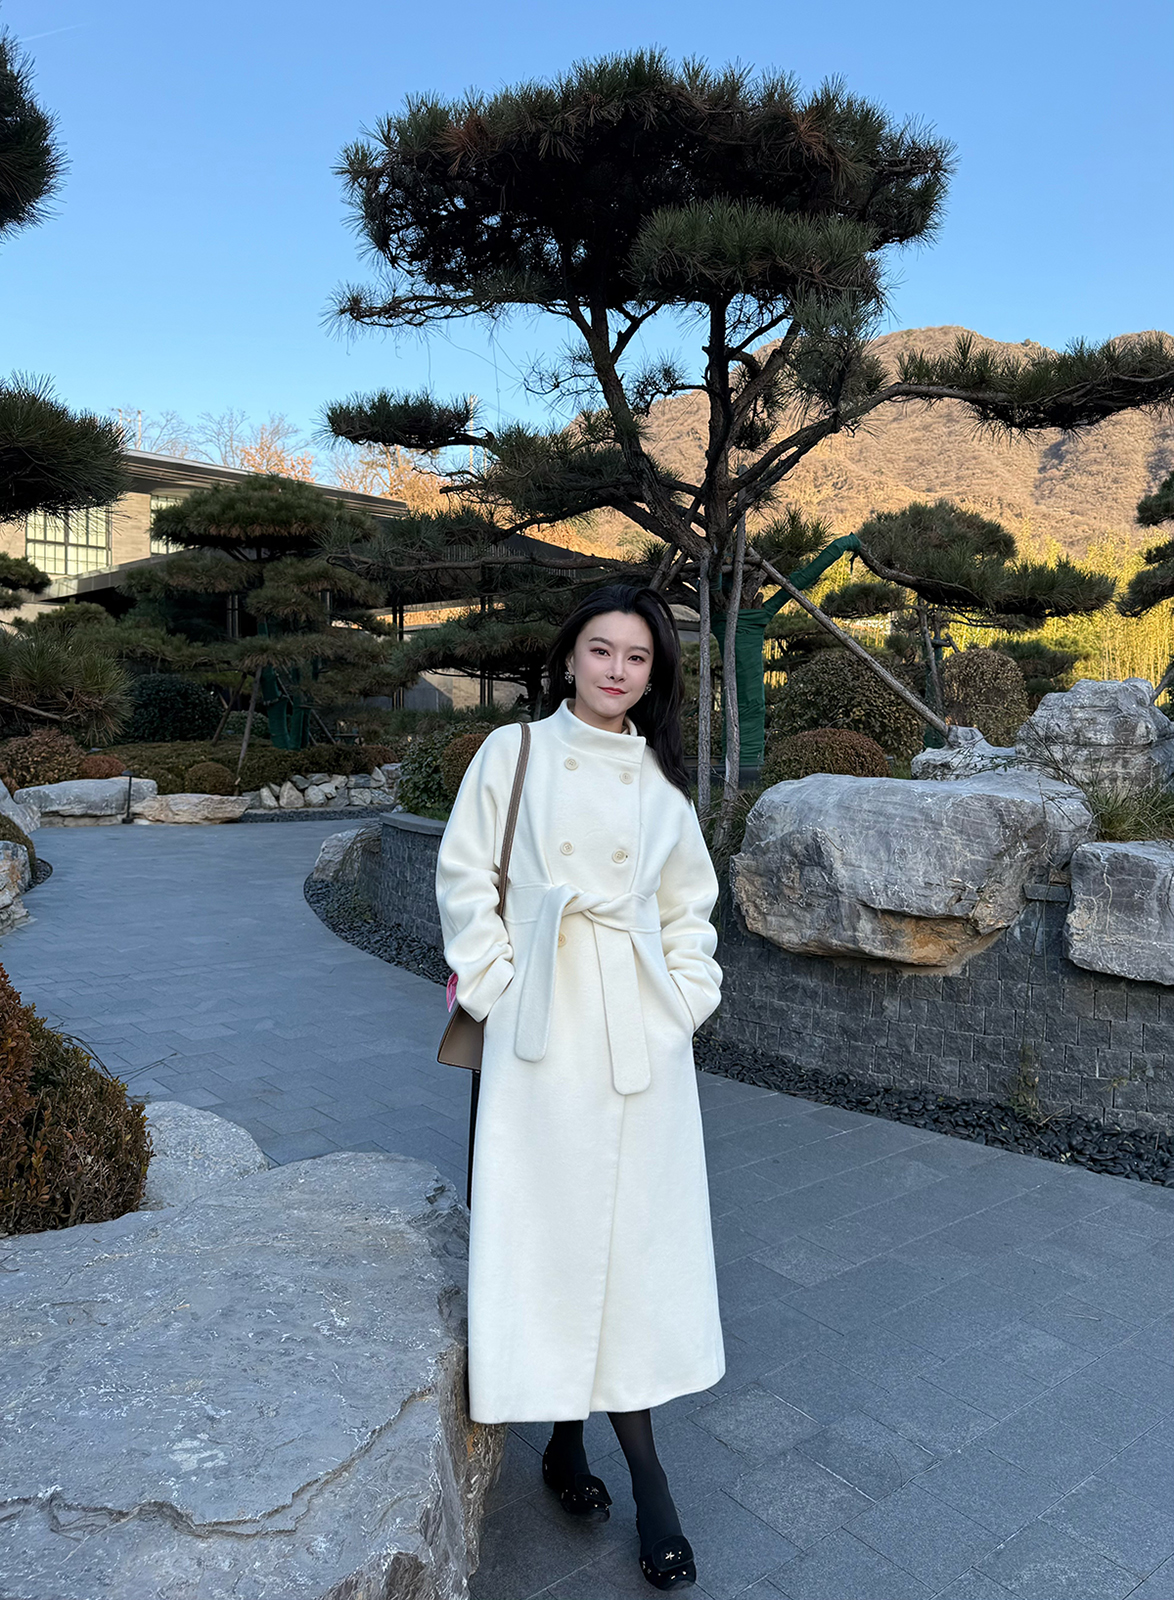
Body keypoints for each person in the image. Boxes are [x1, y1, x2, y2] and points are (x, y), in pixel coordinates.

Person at [435, 583, 725, 1591]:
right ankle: (583, 1451)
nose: (616, 670)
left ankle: (638, 1474)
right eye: (601, 650)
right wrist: (499, 986)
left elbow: (691, 909)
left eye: (636, 657)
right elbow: (464, 877)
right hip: (541, 1036)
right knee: (557, 1240)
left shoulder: (660, 783)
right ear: (569, 657)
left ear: (654, 675)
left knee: (628, 1250)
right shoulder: (510, 753)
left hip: (639, 1043)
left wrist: (683, 1001)